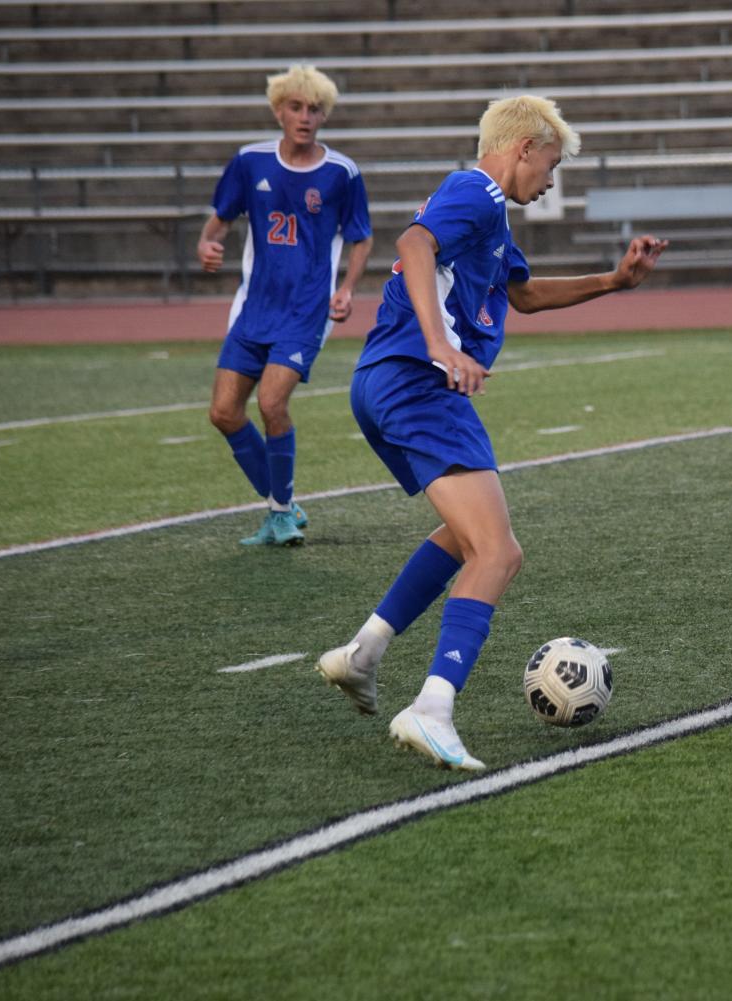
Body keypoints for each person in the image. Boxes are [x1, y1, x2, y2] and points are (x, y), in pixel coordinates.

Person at [316, 95, 667, 770]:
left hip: (385, 381)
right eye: (550, 165)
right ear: (522, 148)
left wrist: (616, 281)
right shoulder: (474, 190)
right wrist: (440, 343)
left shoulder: (490, 218)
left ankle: (363, 653)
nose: (550, 181)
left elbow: (524, 295)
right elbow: (414, 243)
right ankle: (432, 706)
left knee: (463, 535)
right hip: (418, 381)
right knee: (499, 553)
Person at [200, 64, 373, 546]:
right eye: (296, 107)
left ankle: (278, 514)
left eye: (314, 109)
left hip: (306, 310)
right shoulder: (250, 162)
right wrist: (207, 246)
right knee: (223, 413)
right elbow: (218, 223)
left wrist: (347, 289)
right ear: (278, 111)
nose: (305, 116)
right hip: (253, 308)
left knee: (272, 402)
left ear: (324, 117)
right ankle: (284, 503)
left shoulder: (341, 173)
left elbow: (361, 238)